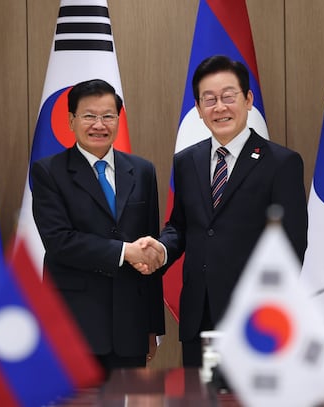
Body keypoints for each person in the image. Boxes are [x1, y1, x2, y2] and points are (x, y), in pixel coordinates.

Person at [140, 55, 308, 367]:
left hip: (255, 319)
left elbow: (291, 244)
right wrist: (160, 250)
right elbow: (182, 226)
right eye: (209, 99)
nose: (220, 107)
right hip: (199, 316)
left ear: (248, 100)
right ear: (198, 108)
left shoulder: (281, 163)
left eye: (228, 97)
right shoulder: (186, 161)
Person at [31, 79, 165, 372]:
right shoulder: (49, 172)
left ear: (118, 120)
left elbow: (150, 251)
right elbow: (59, 241)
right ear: (71, 120)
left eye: (108, 116)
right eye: (89, 116)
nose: (99, 125)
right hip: (73, 325)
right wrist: (124, 252)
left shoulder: (142, 171)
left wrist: (152, 326)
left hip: (130, 327)